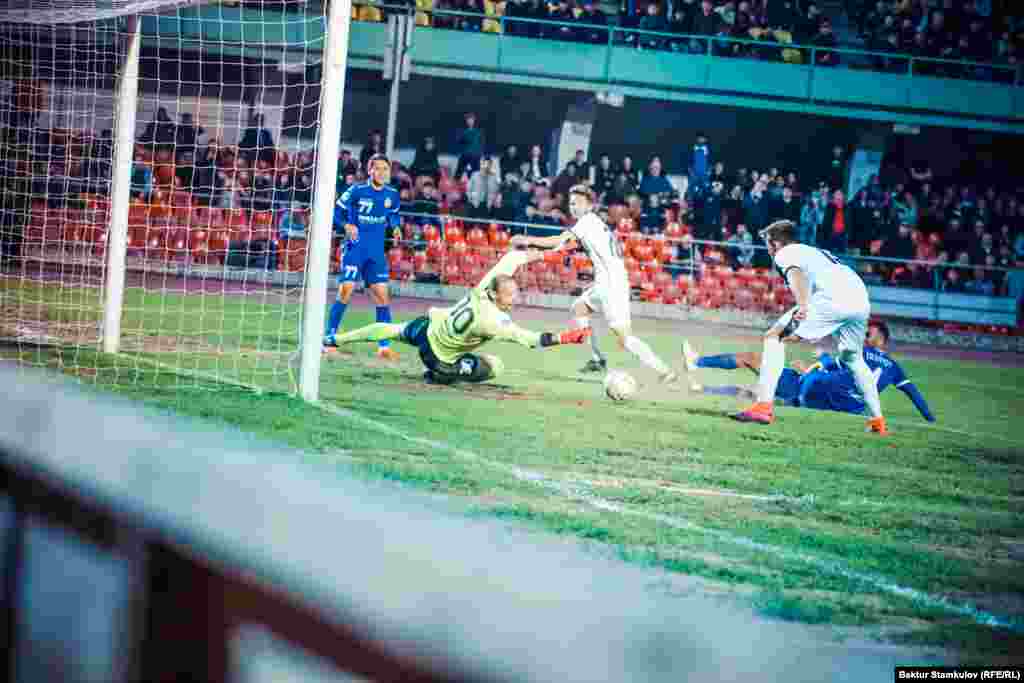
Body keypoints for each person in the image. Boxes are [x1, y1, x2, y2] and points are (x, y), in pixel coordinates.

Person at [330, 248, 592, 384]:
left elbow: (513, 258)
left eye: (515, 293)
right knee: (495, 366)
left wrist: (549, 254)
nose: (514, 299)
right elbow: (532, 340)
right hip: (439, 359)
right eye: (509, 295)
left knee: (394, 329)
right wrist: (567, 337)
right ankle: (439, 376)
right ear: (496, 295)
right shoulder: (494, 321)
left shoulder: (484, 287)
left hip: (428, 328)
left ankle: (337, 339)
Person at [730, 219, 887, 434]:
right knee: (853, 358)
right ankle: (877, 420)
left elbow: (797, 276)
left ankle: (763, 407)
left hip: (833, 298)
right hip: (860, 299)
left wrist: (803, 304)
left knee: (774, 337)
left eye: (768, 243)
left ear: (776, 243)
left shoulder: (785, 253)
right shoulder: (813, 252)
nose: (768, 249)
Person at [510, 185, 678, 383]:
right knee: (579, 307)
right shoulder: (593, 222)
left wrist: (526, 239)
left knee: (624, 337)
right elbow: (569, 245)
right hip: (606, 281)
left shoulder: (586, 222)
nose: (573, 207)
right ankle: (597, 359)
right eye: (571, 203)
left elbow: (558, 240)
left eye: (578, 203)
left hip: (612, 284)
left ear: (589, 205)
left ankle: (664, 370)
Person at [681, 321, 934, 422]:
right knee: (758, 391)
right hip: (834, 404)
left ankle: (697, 364)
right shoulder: (895, 368)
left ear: (880, 339)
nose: (864, 336)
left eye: (868, 334)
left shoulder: (860, 353)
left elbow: (828, 365)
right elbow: (914, 394)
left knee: (753, 363)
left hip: (811, 389)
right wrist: (930, 419)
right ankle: (702, 387)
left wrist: (813, 363)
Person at [324, 154, 402, 360]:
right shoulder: (356, 190)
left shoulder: (392, 194)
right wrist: (346, 225)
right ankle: (329, 339)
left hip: (376, 253)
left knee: (382, 296)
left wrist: (395, 227)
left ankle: (384, 347)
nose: (382, 173)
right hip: (355, 248)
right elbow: (336, 211)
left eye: (386, 169)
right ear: (370, 171)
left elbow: (393, 214)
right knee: (346, 290)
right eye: (378, 168)